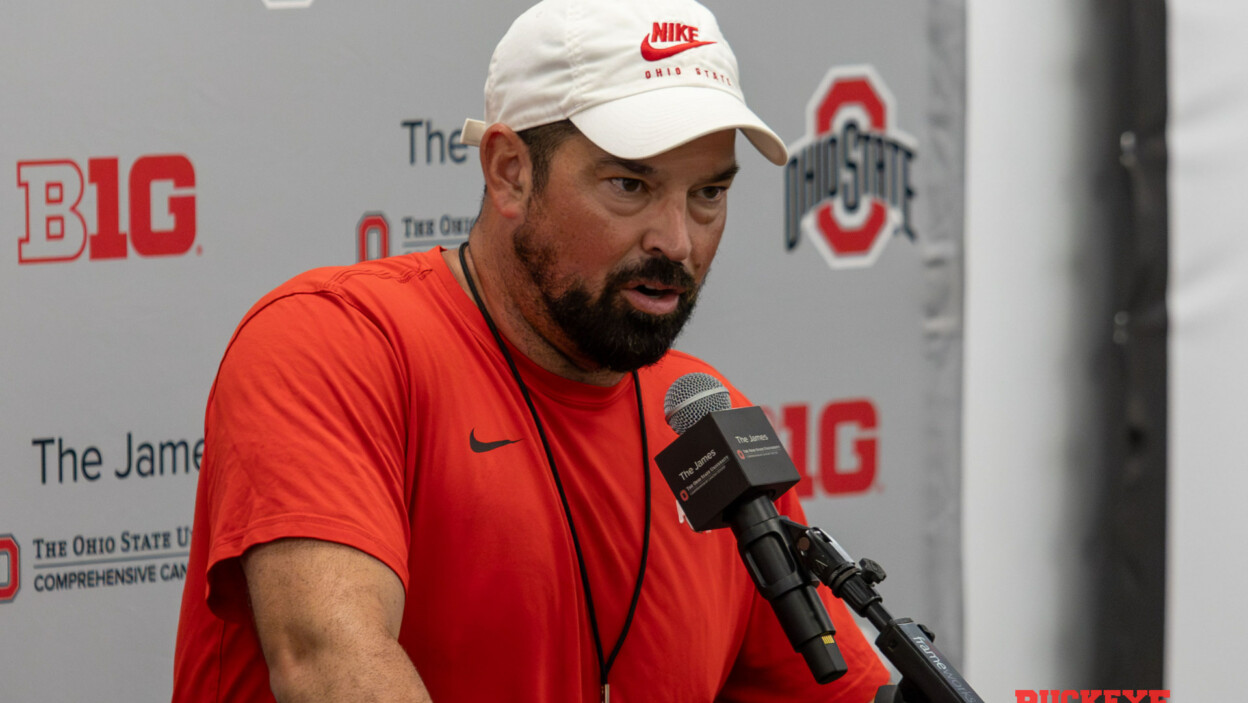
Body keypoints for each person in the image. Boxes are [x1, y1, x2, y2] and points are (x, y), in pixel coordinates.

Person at [171, 0, 891, 700]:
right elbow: (330, 669)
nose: (676, 240)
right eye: (629, 185)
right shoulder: (336, 343)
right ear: (509, 171)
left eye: (707, 193)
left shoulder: (705, 421)